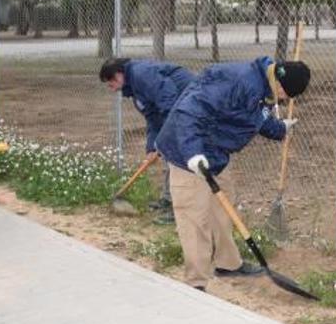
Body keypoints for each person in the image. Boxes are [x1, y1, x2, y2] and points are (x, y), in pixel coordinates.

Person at [156, 56, 311, 291]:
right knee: (195, 217)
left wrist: (280, 129)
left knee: (223, 208)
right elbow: (190, 111)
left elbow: (254, 117)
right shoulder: (238, 81)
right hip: (187, 152)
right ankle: (196, 283)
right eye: (286, 96)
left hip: (215, 153)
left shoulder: (260, 86)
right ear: (280, 85)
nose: (284, 100)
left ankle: (228, 264)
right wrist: (193, 153)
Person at [99, 58, 194, 224]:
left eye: (110, 84)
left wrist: (167, 133)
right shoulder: (134, 89)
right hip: (175, 112)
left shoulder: (141, 74)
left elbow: (168, 99)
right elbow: (152, 117)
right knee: (169, 155)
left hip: (189, 107)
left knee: (179, 159)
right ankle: (168, 199)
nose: (112, 89)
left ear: (118, 75)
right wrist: (152, 147)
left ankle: (181, 209)